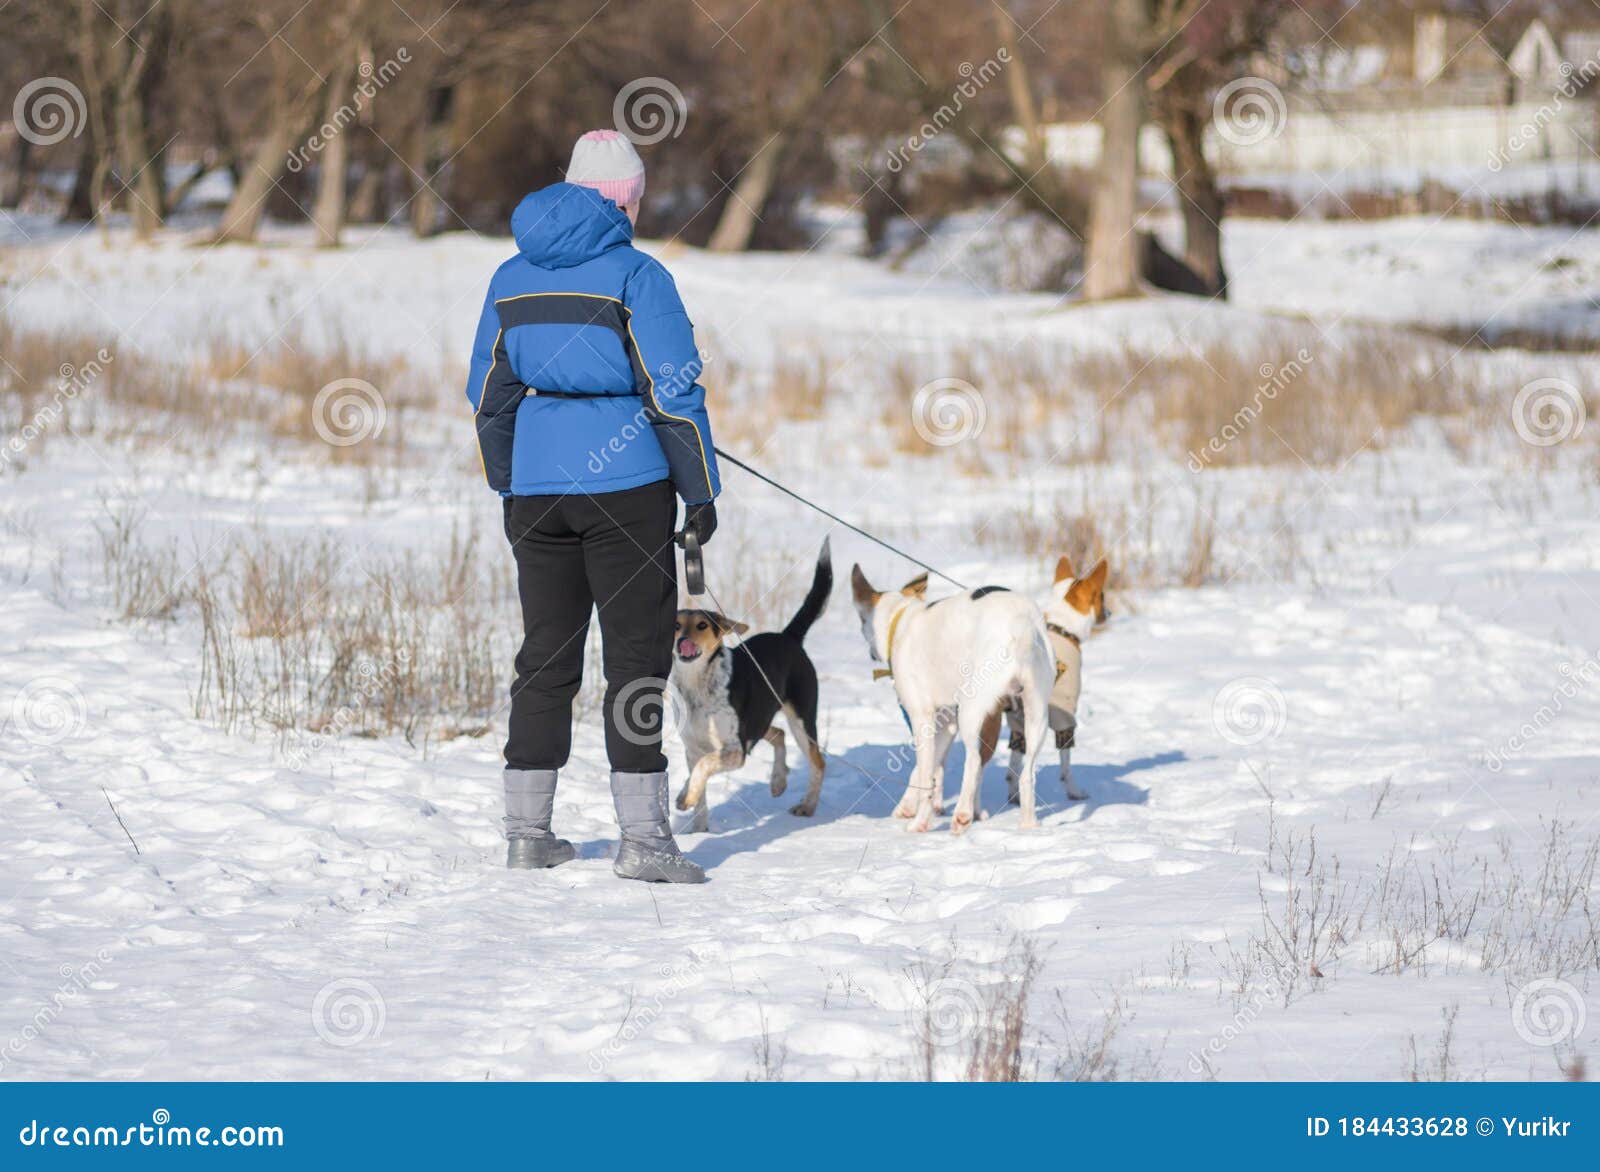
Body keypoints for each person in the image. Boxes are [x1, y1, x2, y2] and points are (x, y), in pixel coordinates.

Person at [464, 130, 720, 883]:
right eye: (636, 198)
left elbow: (489, 396)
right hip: (626, 489)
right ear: (618, 200)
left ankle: (526, 833)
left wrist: (512, 483)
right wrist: (699, 493)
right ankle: (644, 842)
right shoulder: (639, 276)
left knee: (544, 656)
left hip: (539, 494)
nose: (639, 212)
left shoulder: (510, 278)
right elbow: (673, 396)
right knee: (636, 659)